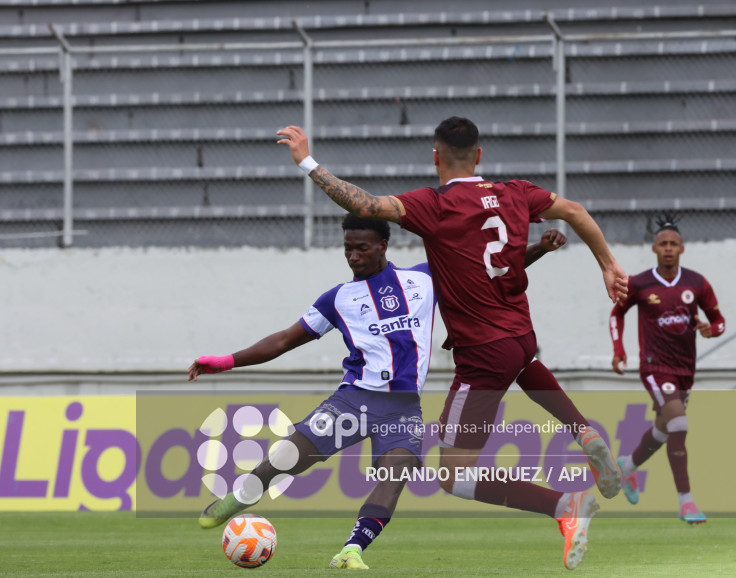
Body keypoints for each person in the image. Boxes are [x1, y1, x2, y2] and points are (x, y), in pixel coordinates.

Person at [277, 117, 628, 570]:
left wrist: (306, 160)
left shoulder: (435, 205)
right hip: (522, 340)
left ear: (436, 156)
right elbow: (576, 211)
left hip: (482, 356)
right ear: (479, 155)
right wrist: (608, 265)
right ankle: (582, 430)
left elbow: (361, 203)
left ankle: (565, 507)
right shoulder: (515, 192)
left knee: (450, 474)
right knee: (508, 375)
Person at [192, 214, 567, 570]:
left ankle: (351, 550)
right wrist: (226, 361)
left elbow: (486, 272)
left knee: (395, 475)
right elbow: (283, 341)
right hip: (353, 400)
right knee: (288, 459)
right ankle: (239, 499)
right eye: (348, 249)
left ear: (383, 245)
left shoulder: (424, 279)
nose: (353, 256)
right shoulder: (337, 299)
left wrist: (539, 249)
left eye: (362, 248)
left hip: (403, 409)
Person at [610, 213, 725, 524]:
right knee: (679, 425)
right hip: (653, 367)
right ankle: (686, 502)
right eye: (663, 244)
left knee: (663, 430)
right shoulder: (639, 283)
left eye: (674, 243)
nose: (669, 248)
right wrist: (619, 350)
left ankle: (628, 467)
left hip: (685, 369)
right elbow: (616, 314)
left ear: (682, 249)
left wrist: (710, 330)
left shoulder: (697, 283)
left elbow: (720, 321)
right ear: (654, 249)